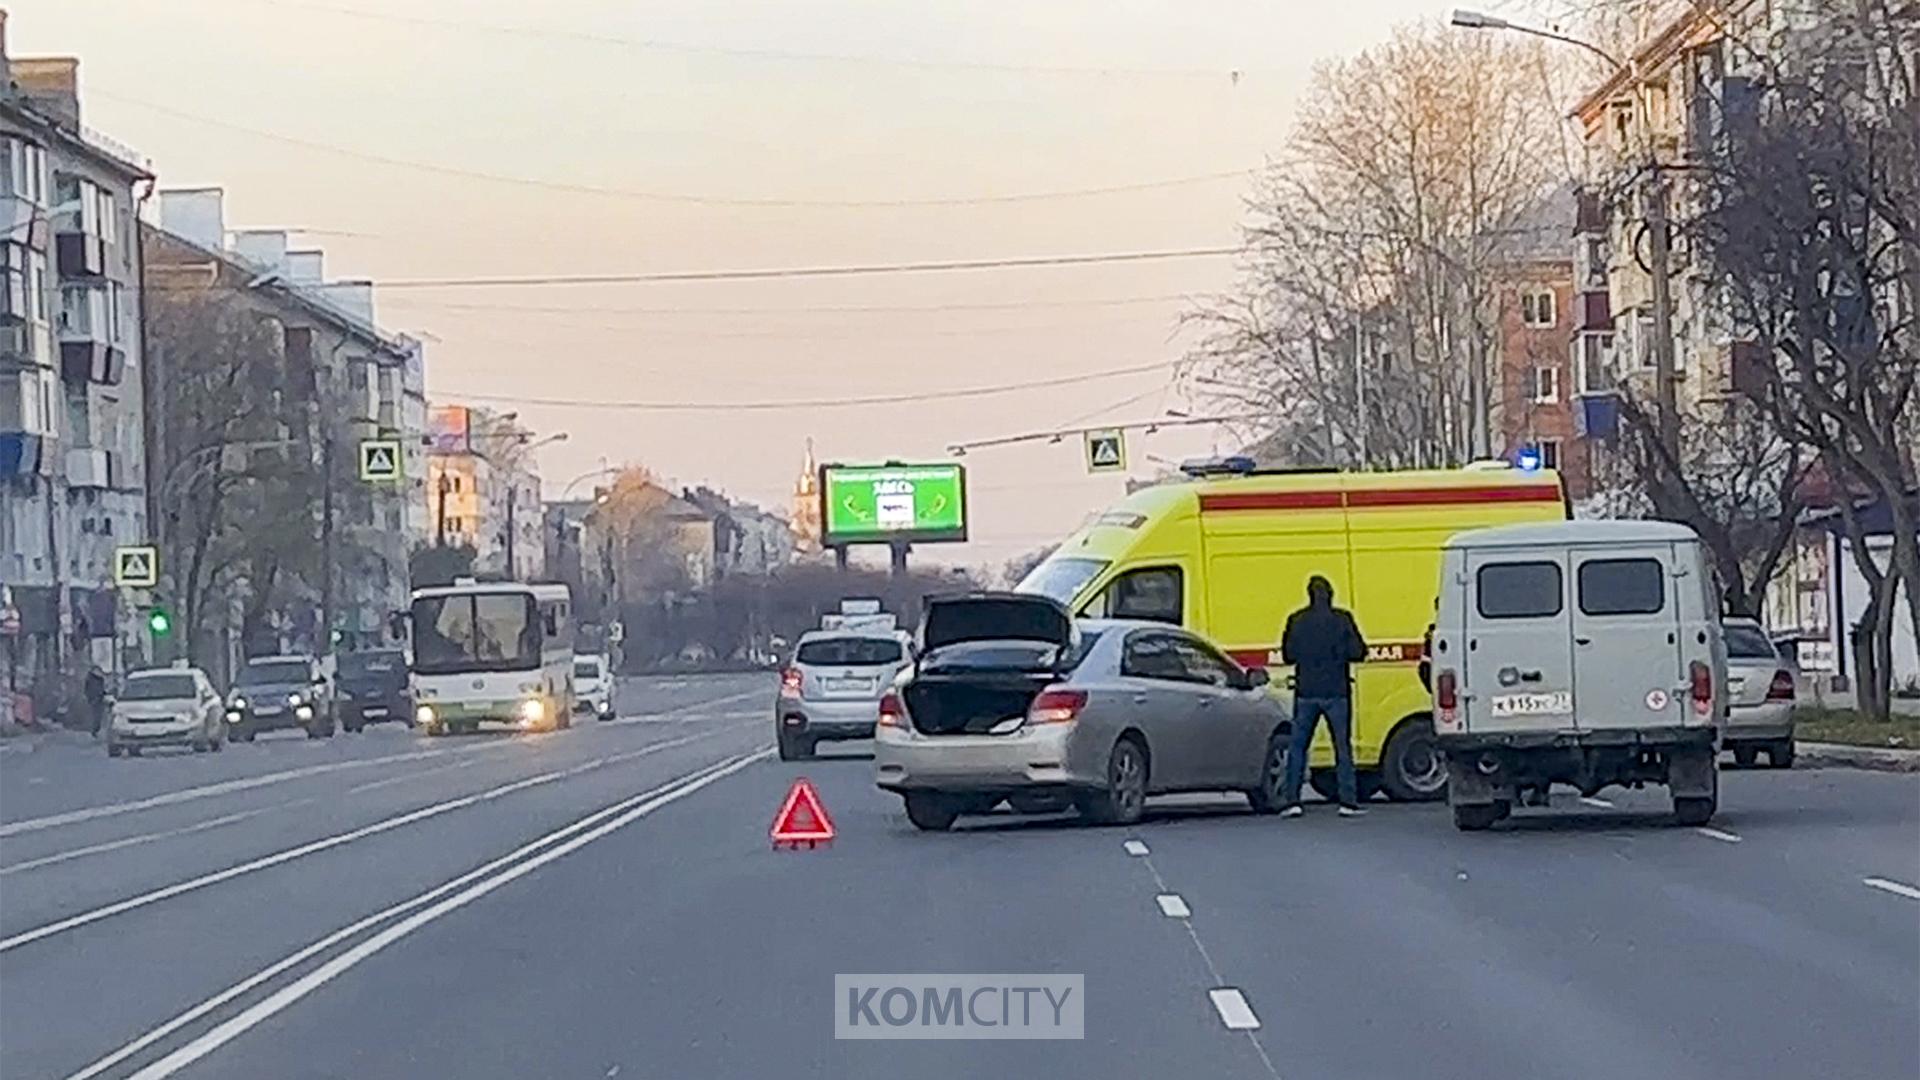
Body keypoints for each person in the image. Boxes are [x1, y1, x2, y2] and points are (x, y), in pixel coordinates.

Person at [1279, 576, 1367, 817]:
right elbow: (1359, 652)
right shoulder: (1342, 619)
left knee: (1298, 747)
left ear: (1309, 595)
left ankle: (1292, 801)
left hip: (1306, 691)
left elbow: (1288, 654)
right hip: (1336, 691)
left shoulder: (1297, 620)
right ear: (1331, 595)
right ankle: (1347, 802)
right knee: (1342, 747)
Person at [83, 664, 108, 739]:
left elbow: (102, 688)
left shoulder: (100, 679)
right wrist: (89, 697)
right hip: (94, 699)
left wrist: (103, 693)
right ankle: (94, 730)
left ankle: (96, 729)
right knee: (95, 715)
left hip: (100, 698)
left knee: (99, 715)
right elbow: (86, 689)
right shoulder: (90, 678)